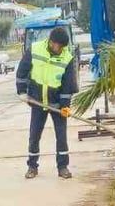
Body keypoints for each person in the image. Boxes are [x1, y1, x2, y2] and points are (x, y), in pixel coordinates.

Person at [16, 26, 78, 179]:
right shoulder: (35, 49)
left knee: (61, 137)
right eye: (57, 45)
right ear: (51, 42)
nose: (59, 49)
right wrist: (22, 91)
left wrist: (65, 106)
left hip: (57, 104)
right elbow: (22, 71)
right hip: (37, 102)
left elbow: (67, 85)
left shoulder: (67, 58)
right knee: (34, 135)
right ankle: (32, 166)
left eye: (62, 47)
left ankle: (63, 167)